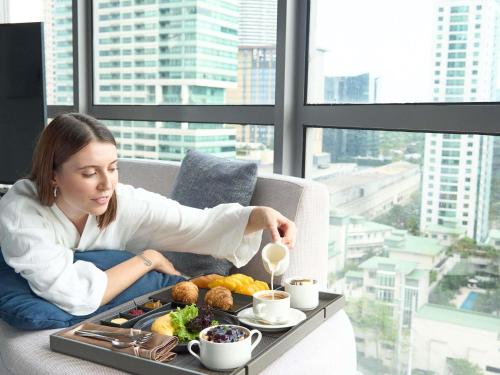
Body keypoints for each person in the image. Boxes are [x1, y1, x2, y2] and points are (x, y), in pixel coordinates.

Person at [0, 113, 296, 316]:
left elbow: (200, 225)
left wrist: (261, 215)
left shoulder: (121, 201)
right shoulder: (21, 212)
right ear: (53, 175)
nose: (106, 184)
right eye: (90, 173)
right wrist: (147, 259)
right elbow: (75, 296)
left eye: (113, 168)